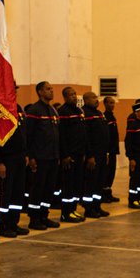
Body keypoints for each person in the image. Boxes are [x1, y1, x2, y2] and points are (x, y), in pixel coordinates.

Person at [24, 81, 60, 230]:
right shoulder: (34, 110)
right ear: (40, 92)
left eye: (51, 89)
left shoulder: (52, 110)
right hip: (40, 157)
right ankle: (34, 218)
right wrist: (31, 156)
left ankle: (44, 215)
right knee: (38, 189)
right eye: (47, 89)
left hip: (52, 156)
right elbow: (28, 135)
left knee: (48, 189)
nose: (51, 91)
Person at [0, 100, 29, 238]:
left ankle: (14, 223)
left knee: (18, 192)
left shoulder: (18, 107)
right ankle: (4, 225)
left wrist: (26, 153)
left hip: (20, 157)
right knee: (6, 193)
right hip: (7, 158)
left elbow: (23, 132)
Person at [56, 86, 86, 223]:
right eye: (70, 95)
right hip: (70, 155)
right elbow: (62, 136)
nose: (74, 96)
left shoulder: (79, 111)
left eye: (74, 94)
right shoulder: (63, 111)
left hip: (79, 154)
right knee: (68, 185)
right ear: (65, 97)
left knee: (76, 184)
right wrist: (65, 155)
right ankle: (66, 213)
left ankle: (73, 210)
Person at [80, 91, 109, 219]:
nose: (96, 100)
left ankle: (97, 205)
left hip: (102, 153)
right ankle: (88, 208)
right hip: (93, 154)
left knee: (99, 181)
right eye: (93, 98)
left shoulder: (99, 113)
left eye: (96, 97)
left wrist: (106, 152)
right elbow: (86, 137)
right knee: (91, 182)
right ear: (86, 100)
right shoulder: (85, 113)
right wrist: (90, 155)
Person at [101, 95, 120, 204]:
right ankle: (103, 194)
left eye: (113, 103)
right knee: (106, 173)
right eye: (110, 103)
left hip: (113, 149)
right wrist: (107, 150)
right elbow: (106, 135)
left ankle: (108, 192)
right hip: (108, 150)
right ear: (105, 104)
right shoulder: (105, 117)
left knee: (111, 172)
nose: (112, 105)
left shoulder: (112, 116)